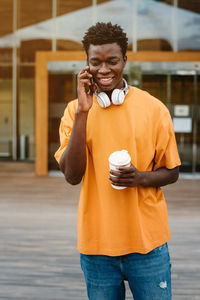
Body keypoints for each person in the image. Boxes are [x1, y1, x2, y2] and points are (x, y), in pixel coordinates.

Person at [55, 22, 181, 300]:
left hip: (148, 244)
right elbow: (72, 175)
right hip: (97, 247)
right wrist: (84, 113)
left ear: (125, 60)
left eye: (112, 61)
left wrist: (141, 178)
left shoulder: (153, 109)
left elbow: (172, 171)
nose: (104, 69)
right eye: (95, 62)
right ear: (86, 63)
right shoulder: (75, 111)